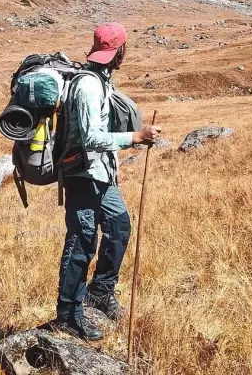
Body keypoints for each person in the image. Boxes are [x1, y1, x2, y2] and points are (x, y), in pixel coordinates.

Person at [54, 22, 162, 341]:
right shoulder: (88, 85)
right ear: (119, 51)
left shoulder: (102, 80)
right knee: (82, 242)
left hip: (100, 174)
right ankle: (69, 316)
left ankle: (100, 293)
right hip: (82, 174)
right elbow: (90, 137)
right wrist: (136, 137)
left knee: (119, 226)